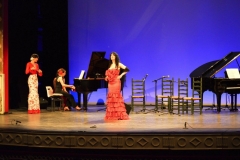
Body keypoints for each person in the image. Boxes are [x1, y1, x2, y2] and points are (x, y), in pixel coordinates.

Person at [104, 52, 130, 120]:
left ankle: (119, 114)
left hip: (116, 82)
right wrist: (107, 77)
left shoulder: (118, 64)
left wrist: (120, 75)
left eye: (113, 55)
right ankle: (113, 115)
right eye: (111, 56)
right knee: (111, 97)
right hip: (110, 83)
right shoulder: (110, 65)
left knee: (116, 97)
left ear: (116, 57)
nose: (112, 57)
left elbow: (127, 69)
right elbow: (108, 73)